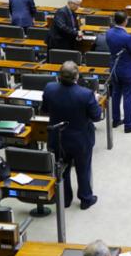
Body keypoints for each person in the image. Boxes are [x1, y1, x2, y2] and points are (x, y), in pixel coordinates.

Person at [42, 61, 102, 209]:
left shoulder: (49, 88)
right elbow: (97, 116)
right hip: (80, 139)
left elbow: (44, 110)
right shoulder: (86, 94)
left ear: (59, 76)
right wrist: (96, 100)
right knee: (83, 168)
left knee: (62, 170)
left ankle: (65, 199)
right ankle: (86, 199)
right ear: (76, 76)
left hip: (58, 137)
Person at [106, 11, 131, 133]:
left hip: (114, 68)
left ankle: (115, 120)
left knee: (116, 93)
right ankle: (129, 124)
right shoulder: (127, 37)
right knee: (128, 96)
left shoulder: (109, 32)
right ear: (125, 21)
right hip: (127, 70)